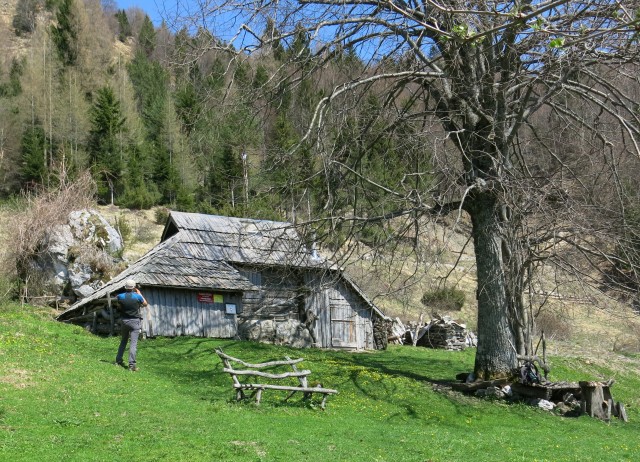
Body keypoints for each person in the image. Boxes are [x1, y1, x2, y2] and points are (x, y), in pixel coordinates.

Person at [115, 279, 147, 371]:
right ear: (133, 287)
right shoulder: (137, 296)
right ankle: (132, 365)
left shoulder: (120, 296)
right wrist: (140, 293)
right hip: (134, 321)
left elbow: (118, 304)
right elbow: (145, 304)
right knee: (133, 344)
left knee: (123, 341)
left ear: (125, 287)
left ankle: (118, 360)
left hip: (124, 321)